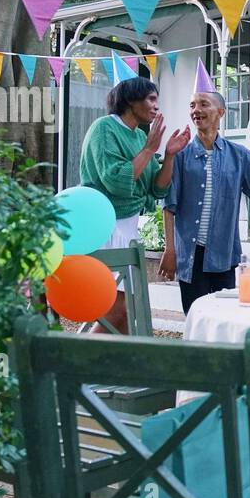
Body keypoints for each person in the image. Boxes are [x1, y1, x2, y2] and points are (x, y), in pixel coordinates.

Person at [79, 75, 187, 332]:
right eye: (151, 99)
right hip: (103, 225)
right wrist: (150, 150)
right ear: (130, 100)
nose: (156, 106)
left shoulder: (140, 137)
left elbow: (157, 188)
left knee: (126, 313)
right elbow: (116, 181)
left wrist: (169, 155)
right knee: (115, 310)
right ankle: (78, 363)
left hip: (128, 227)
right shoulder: (104, 128)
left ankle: (119, 369)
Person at [161, 63, 250, 314]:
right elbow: (169, 206)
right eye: (192, 105)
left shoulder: (241, 156)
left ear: (220, 111)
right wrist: (170, 250)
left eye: (203, 104)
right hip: (190, 254)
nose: (196, 110)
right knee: (195, 317)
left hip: (225, 253)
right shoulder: (180, 156)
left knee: (226, 317)